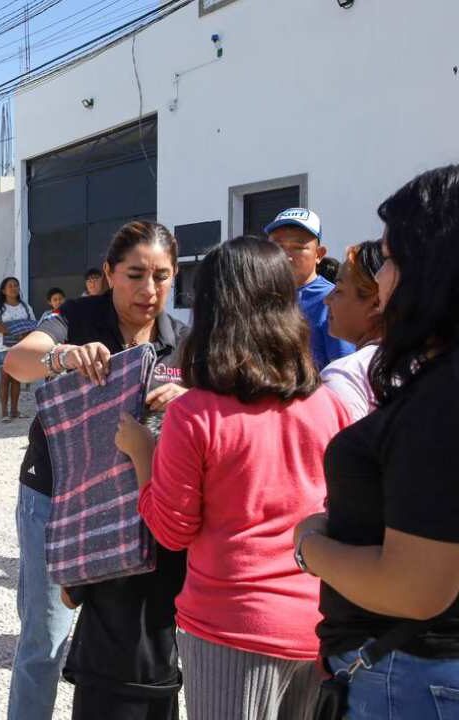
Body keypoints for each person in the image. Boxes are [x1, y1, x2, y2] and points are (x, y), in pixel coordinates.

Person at [116, 236, 350, 720]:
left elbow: (171, 530)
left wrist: (143, 455)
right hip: (316, 624)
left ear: (212, 310)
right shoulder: (329, 405)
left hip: (229, 628)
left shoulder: (195, 415)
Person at [3, 220, 189, 720]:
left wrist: (189, 400)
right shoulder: (77, 318)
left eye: (161, 276)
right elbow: (18, 361)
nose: (149, 290)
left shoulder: (183, 342)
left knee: (130, 643)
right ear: (109, 273)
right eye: (135, 275)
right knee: (45, 640)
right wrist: (63, 356)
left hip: (141, 506)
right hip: (57, 499)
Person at [295, 165, 459, 720]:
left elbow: (414, 588)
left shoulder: (442, 397)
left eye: (389, 258)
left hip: (409, 676)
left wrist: (311, 546)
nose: (381, 276)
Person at [266, 207, 355, 368]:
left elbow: (344, 370)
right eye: (278, 247)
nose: (286, 256)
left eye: (298, 247)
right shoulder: (258, 297)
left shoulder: (332, 300)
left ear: (319, 254)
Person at [320, 240, 385, 421]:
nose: (327, 299)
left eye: (339, 290)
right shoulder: (428, 364)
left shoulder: (346, 377)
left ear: (376, 303)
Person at [0, 276, 35, 422]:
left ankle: (14, 410)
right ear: (3, 290)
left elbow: (32, 324)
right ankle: (4, 412)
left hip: (21, 348)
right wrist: (15, 331)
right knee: (5, 378)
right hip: (3, 348)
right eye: (10, 286)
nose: (14, 288)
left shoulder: (26, 307)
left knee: (16, 379)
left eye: (16, 285)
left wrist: (24, 334)